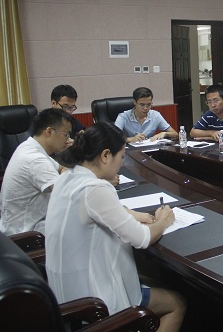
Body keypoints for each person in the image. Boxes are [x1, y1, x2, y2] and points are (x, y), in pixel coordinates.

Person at [45, 122, 186, 330]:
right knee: (178, 303)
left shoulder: (67, 177)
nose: (121, 164)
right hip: (96, 303)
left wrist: (137, 215)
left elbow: (100, 211)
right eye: (121, 157)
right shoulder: (95, 188)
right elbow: (142, 239)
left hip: (66, 296)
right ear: (105, 155)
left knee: (151, 278)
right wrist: (164, 220)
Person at [0, 108, 71, 235]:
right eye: (65, 134)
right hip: (25, 234)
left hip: (32, 223)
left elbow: (61, 168)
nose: (67, 140)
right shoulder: (35, 159)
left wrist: (65, 176)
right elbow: (67, 193)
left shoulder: (29, 147)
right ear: (49, 131)